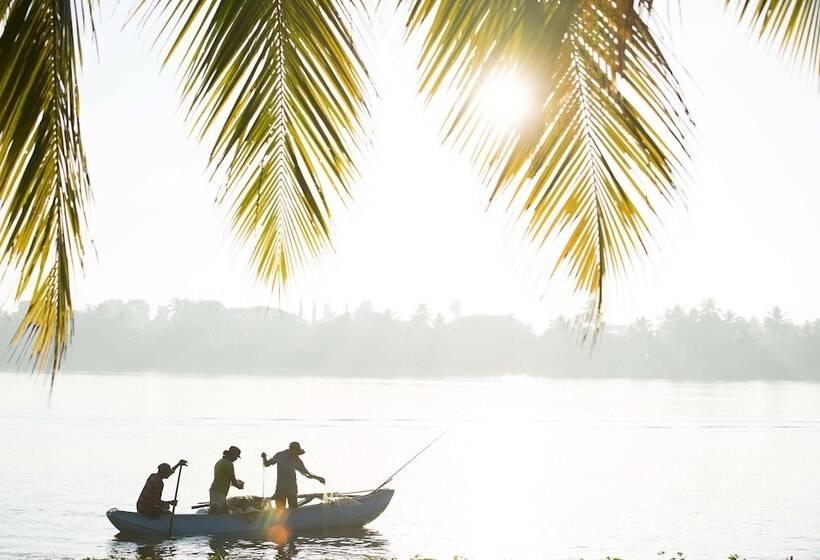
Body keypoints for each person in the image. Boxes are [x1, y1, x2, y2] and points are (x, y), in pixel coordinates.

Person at [261, 441, 325, 509]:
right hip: (281, 488)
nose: (296, 455)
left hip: (292, 489)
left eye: (297, 453)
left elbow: (307, 474)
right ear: (291, 449)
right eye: (295, 452)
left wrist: (318, 478)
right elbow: (267, 464)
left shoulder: (297, 460)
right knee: (279, 510)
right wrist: (264, 457)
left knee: (294, 509)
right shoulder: (280, 455)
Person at [209, 446, 244, 514]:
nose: (236, 459)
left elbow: (223, 478)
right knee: (217, 514)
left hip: (215, 491)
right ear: (232, 454)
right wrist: (239, 486)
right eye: (236, 457)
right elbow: (233, 479)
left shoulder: (220, 461)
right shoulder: (228, 464)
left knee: (223, 513)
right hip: (219, 493)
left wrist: (235, 482)